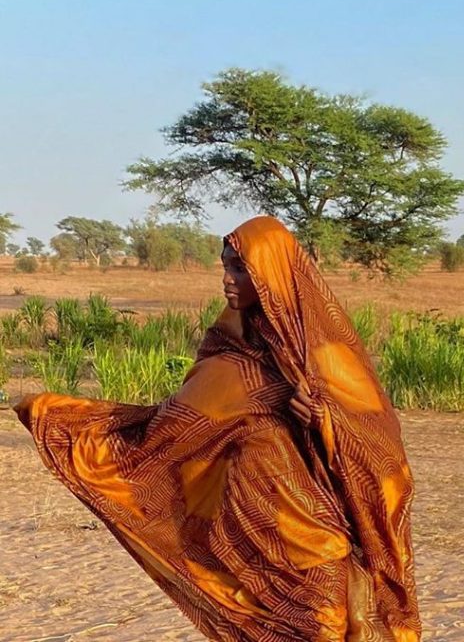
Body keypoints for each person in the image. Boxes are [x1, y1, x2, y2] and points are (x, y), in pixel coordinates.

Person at [15, 215, 420, 642]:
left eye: (240, 269)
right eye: (225, 267)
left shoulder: (323, 351)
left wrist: (326, 420)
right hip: (246, 525)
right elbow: (170, 429)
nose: (228, 280)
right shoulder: (230, 346)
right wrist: (62, 418)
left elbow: (382, 444)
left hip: (311, 524)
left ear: (270, 275)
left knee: (328, 614)